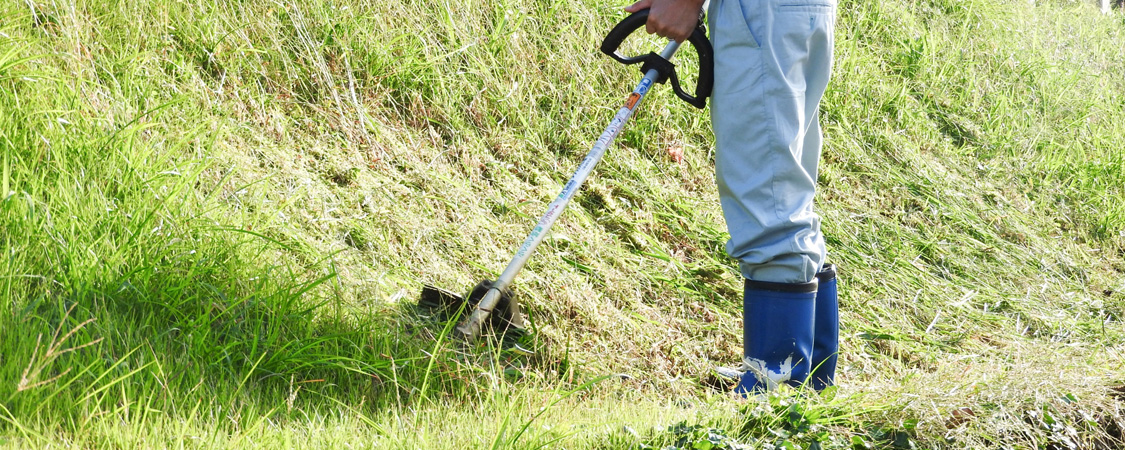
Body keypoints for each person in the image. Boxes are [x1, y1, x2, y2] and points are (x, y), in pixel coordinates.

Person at [625, 0, 839, 394]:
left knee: (770, 201)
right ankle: (810, 381)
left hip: (760, 13)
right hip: (799, 11)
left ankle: (774, 389)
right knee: (788, 191)